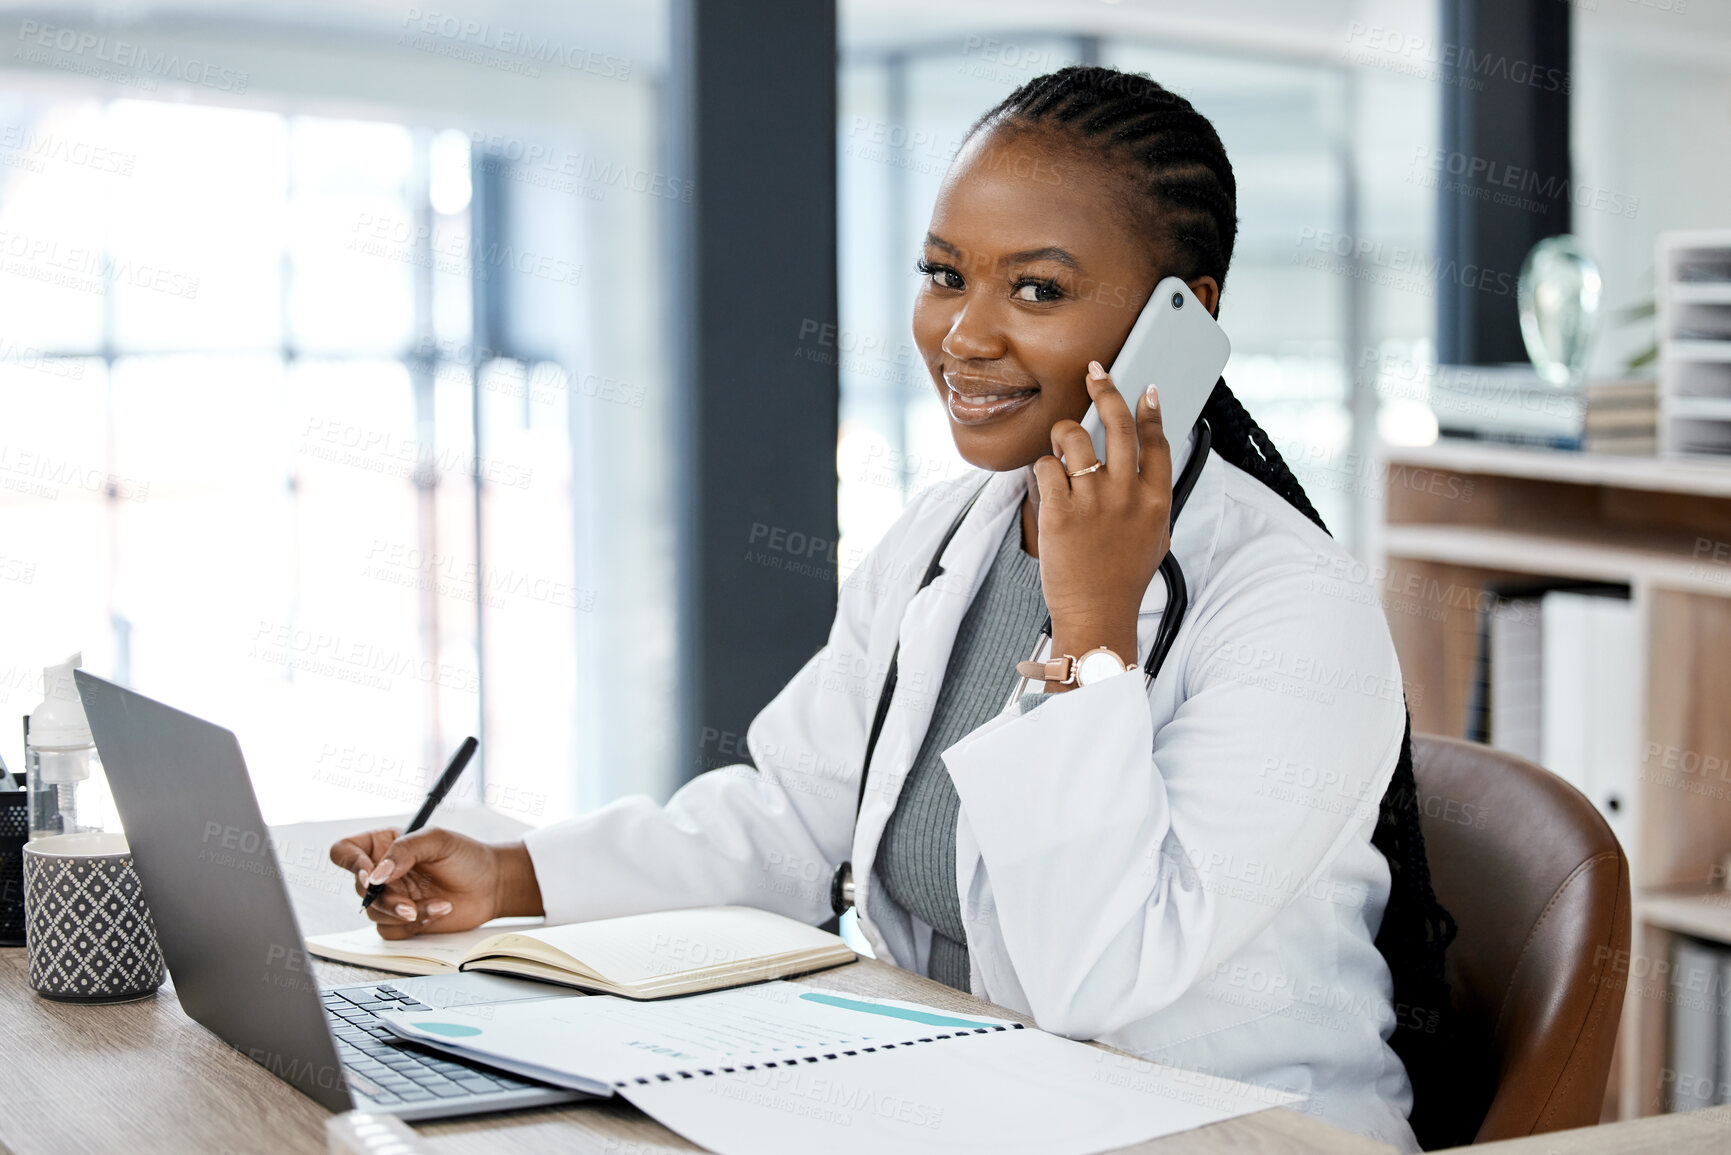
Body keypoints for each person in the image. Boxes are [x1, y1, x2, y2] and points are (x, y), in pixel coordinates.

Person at [331, 65, 1453, 1152]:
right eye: (943, 273)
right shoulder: (948, 534)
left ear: (1184, 320)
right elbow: (790, 819)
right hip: (984, 1095)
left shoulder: (1295, 610)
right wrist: (511, 874)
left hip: (1228, 1128)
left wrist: (1093, 635)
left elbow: (1095, 976)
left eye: (1038, 289)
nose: (963, 335)